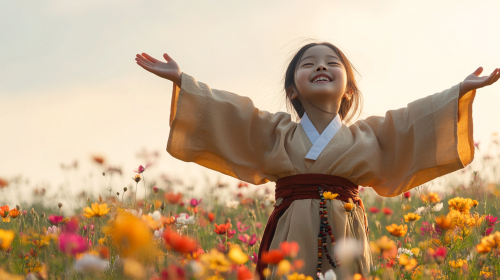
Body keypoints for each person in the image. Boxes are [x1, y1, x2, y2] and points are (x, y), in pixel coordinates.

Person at [135, 42, 499, 279]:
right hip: (291, 233)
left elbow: (412, 123)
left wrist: (460, 92)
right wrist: (184, 81)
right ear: (292, 89)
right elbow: (232, 115)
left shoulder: (370, 136)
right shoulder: (275, 133)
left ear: (348, 89)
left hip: (346, 235)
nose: (321, 67)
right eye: (309, 64)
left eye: (332, 63)